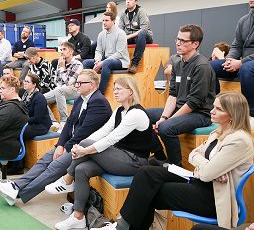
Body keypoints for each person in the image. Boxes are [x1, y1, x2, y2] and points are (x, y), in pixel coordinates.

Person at [94, 92, 254, 230]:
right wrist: (209, 167)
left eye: (218, 109)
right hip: (200, 182)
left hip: (214, 198)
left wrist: (208, 168)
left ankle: (124, 226)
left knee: (151, 191)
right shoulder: (219, 131)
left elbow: (205, 173)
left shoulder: (239, 140)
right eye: (213, 106)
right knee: (147, 171)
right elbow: (193, 154)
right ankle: (124, 226)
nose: (211, 111)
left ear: (232, 114)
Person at [0, 70, 112, 206]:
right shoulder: (80, 99)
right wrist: (60, 145)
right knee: (44, 160)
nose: (76, 85)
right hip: (72, 143)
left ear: (92, 85)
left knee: (54, 166)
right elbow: (69, 124)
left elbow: (84, 132)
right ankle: (16, 186)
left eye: (80, 83)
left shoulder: (99, 102)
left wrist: (66, 147)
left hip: (86, 148)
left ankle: (19, 193)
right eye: (76, 82)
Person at [46, 77, 153, 230]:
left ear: (130, 91)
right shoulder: (119, 111)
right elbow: (102, 132)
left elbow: (111, 139)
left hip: (135, 162)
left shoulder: (137, 113)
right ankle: (78, 216)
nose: (115, 92)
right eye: (114, 89)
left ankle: (67, 179)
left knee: (86, 147)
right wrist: (80, 146)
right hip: (118, 157)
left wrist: (85, 149)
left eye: (119, 89)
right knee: (81, 169)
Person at [147, 24, 216, 167]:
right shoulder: (177, 63)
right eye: (177, 39)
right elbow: (173, 95)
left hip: (200, 114)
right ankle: (160, 156)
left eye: (183, 41)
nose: (178, 43)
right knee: (140, 114)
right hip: (180, 108)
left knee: (166, 128)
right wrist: (164, 117)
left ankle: (176, 167)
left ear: (195, 44)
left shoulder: (201, 66)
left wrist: (167, 121)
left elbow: (194, 102)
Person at [211, 0, 254, 122]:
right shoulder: (244, 20)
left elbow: (244, 64)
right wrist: (229, 60)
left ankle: (250, 114)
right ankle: (215, 105)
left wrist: (241, 62)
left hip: (248, 64)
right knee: (208, 66)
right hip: (241, 62)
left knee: (246, 69)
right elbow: (236, 46)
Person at [5, 73, 53, 175]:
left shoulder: (39, 97)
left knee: (17, 133)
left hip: (40, 126)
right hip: (30, 122)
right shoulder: (25, 94)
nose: (24, 83)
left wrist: (21, 121)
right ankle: (11, 161)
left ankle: (18, 167)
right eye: (24, 81)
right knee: (10, 130)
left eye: (27, 82)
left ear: (34, 84)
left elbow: (37, 118)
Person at [83, 11, 129, 94]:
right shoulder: (101, 34)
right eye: (103, 20)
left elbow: (119, 53)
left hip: (121, 61)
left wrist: (102, 62)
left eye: (106, 20)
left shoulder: (121, 33)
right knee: (86, 63)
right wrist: (97, 60)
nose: (104, 23)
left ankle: (100, 93)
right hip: (106, 60)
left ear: (113, 21)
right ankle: (88, 89)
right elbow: (98, 50)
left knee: (107, 63)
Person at [45, 41, 83, 132]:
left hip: (76, 91)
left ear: (71, 52)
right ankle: (53, 122)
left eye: (64, 49)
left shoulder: (78, 64)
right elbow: (56, 80)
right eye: (61, 49)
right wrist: (61, 85)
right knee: (40, 99)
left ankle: (64, 121)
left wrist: (62, 68)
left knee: (59, 90)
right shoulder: (60, 63)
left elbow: (70, 83)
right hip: (62, 89)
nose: (61, 52)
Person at [119, 0, 153, 74]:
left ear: (135, 2)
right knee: (118, 38)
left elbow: (144, 29)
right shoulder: (123, 14)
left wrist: (128, 36)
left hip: (144, 36)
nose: (128, 1)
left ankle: (134, 63)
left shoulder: (141, 11)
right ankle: (119, 63)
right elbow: (119, 30)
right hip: (130, 37)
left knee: (142, 33)